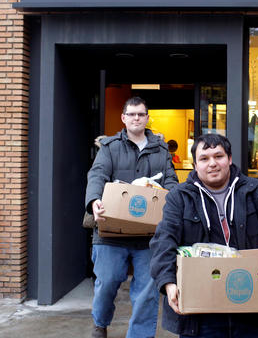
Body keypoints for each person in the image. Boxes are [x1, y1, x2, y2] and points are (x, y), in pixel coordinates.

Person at [149, 134, 258, 338]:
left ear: (229, 159)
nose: (212, 163)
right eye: (204, 158)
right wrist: (168, 282)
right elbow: (164, 241)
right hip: (201, 312)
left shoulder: (255, 191)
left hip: (253, 305)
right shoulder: (180, 196)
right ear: (195, 164)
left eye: (218, 156)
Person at [85, 96, 179, 338]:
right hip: (110, 232)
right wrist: (94, 200)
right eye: (132, 114)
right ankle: (100, 324)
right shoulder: (110, 147)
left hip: (149, 236)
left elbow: (171, 181)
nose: (136, 118)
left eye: (141, 114)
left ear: (147, 118)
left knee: (147, 292)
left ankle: (140, 335)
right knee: (106, 283)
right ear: (123, 118)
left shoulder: (161, 149)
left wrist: (166, 197)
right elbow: (97, 175)